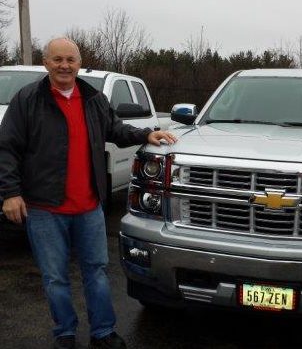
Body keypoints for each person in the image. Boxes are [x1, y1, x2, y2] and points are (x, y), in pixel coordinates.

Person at [0, 37, 177, 349]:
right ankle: (65, 333)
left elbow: (115, 129)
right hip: (44, 208)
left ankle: (103, 333)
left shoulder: (93, 99)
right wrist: (10, 193)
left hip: (89, 207)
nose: (65, 65)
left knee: (96, 271)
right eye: (58, 59)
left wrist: (146, 133)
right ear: (46, 63)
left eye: (70, 59)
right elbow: (7, 149)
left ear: (78, 63)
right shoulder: (27, 100)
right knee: (55, 278)